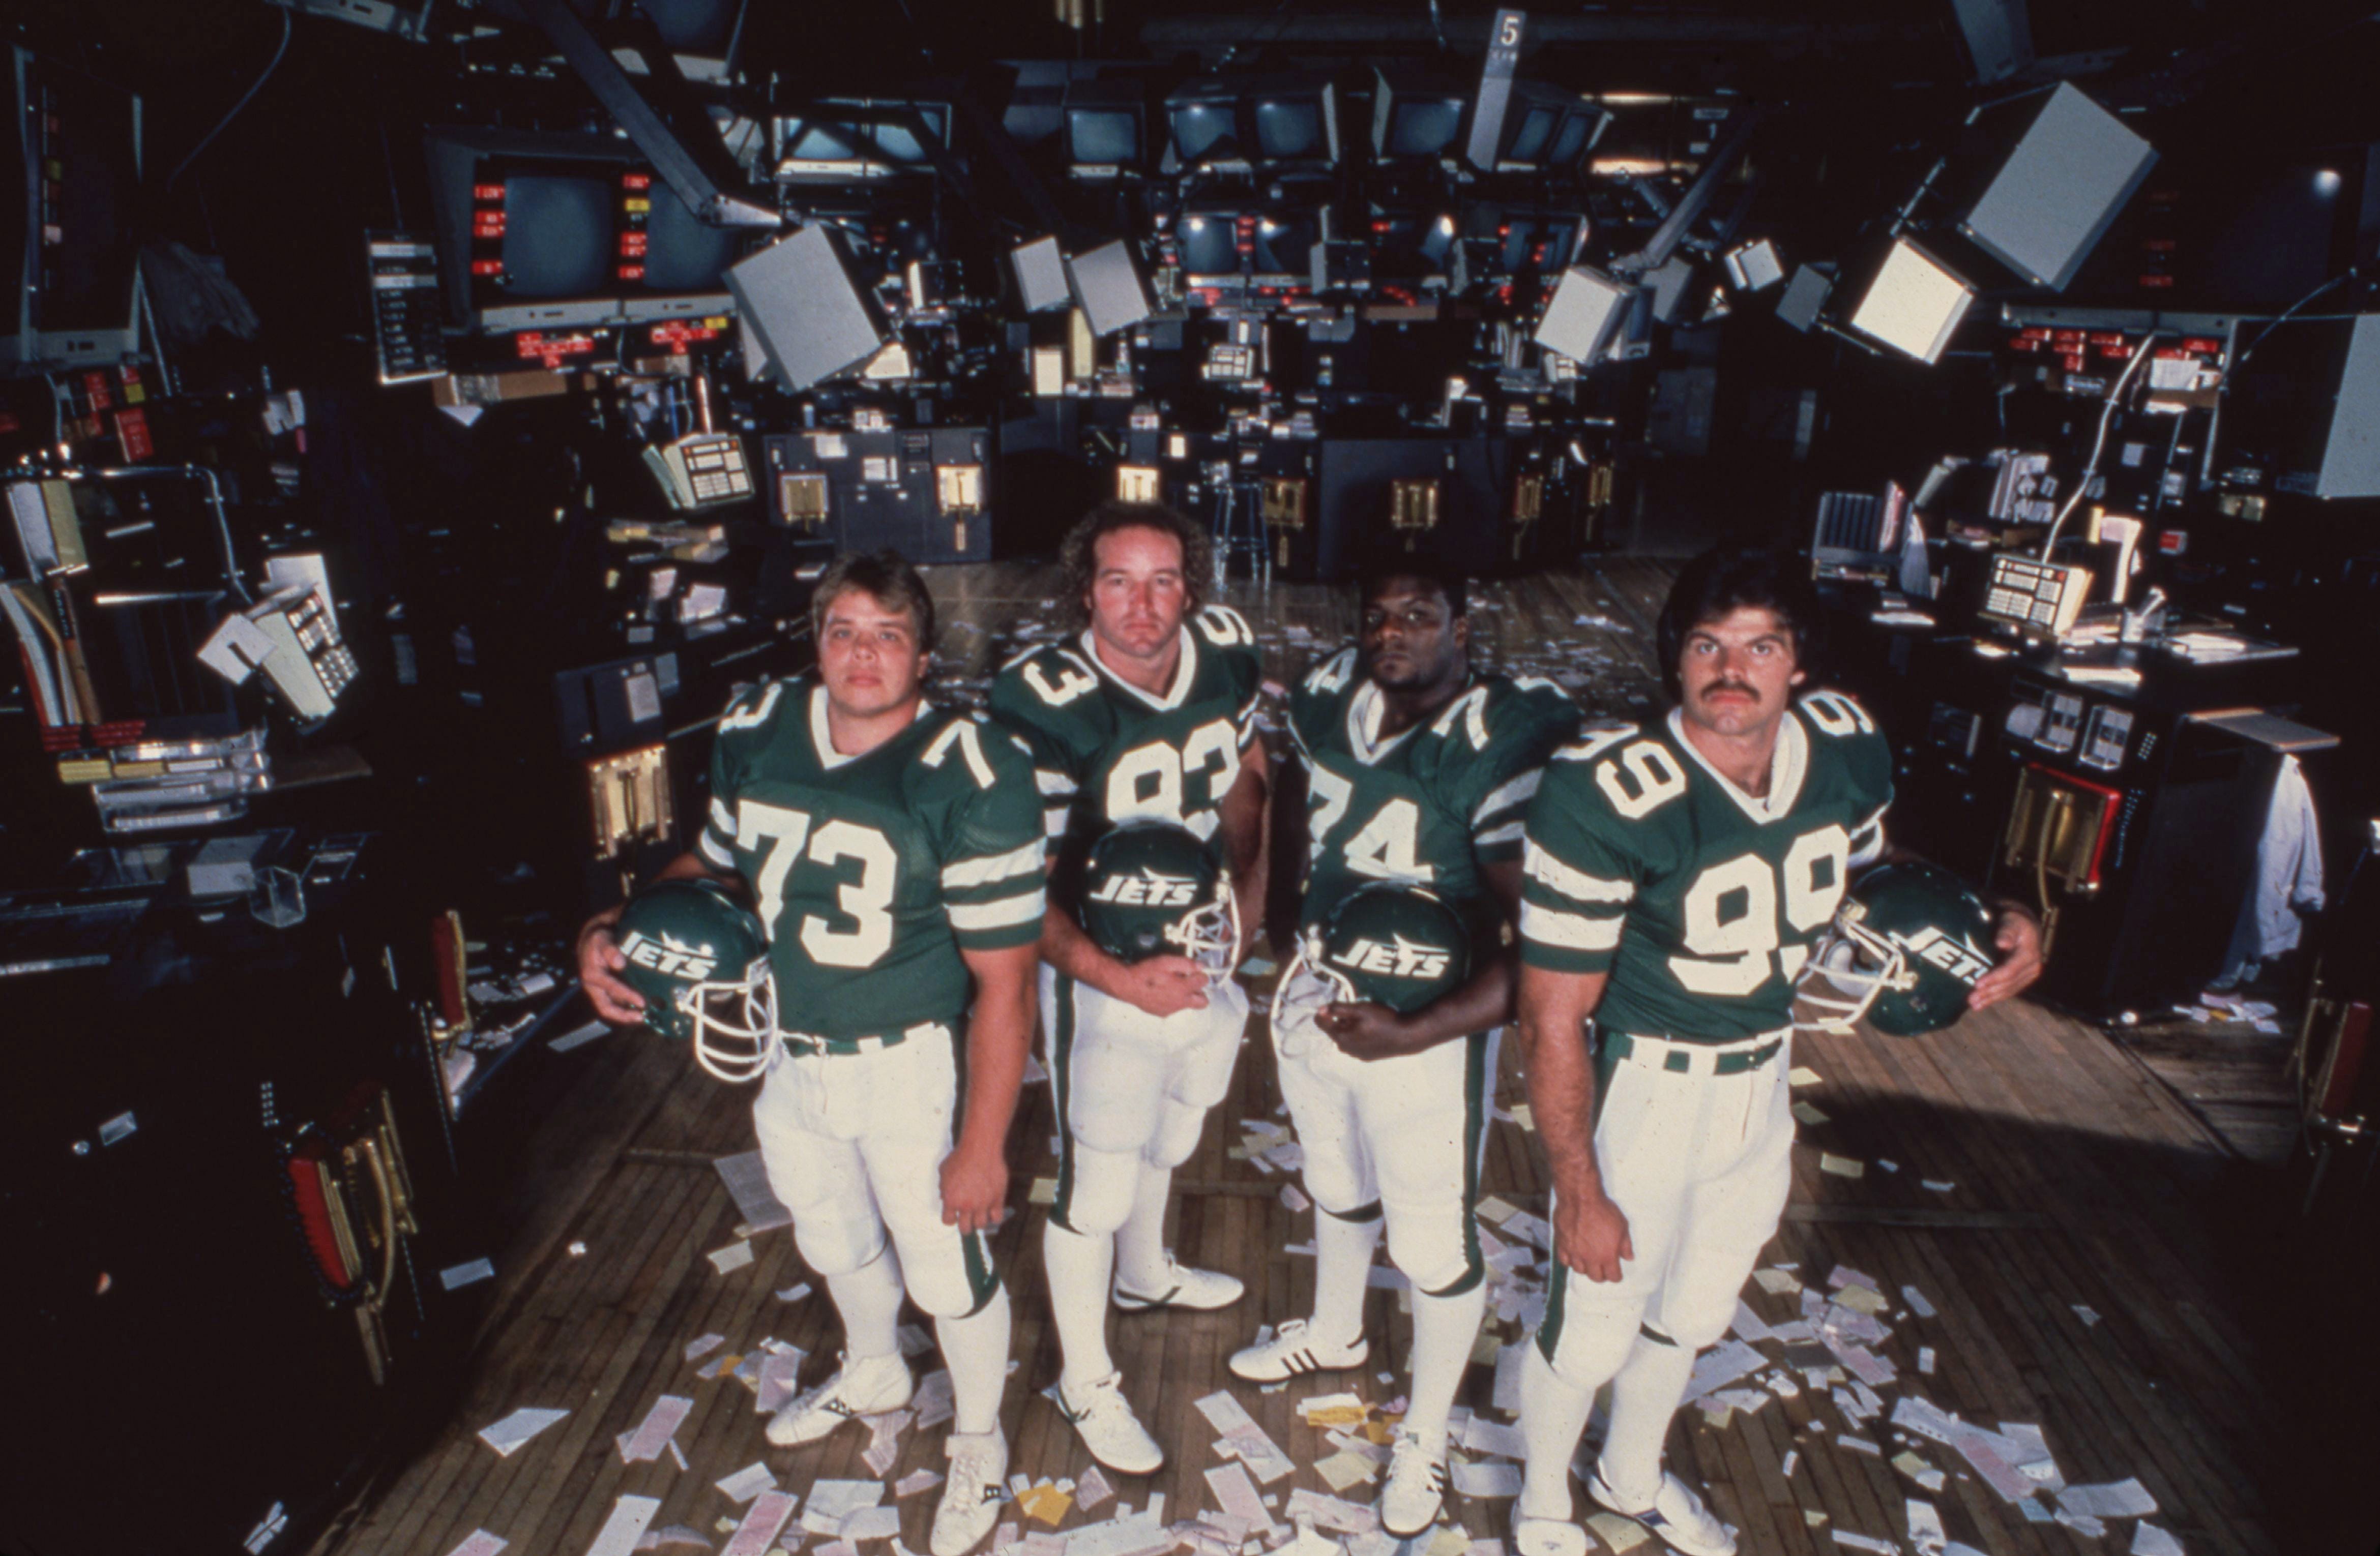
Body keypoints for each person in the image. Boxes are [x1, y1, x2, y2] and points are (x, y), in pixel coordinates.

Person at [1509, 548, 2044, 1556]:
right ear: (1676, 659)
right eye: (1709, 645)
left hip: (1762, 1079)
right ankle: (1541, 1496)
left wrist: (2001, 911)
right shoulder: (1603, 790)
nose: (1732, 670)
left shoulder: (1842, 746)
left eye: (1762, 645)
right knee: (1592, 1325)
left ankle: (1630, 1477)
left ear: (1799, 664)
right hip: (1646, 1085)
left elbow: (1881, 869)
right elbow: (1551, 1018)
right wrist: (1578, 1186)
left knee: (1693, 1315)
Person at [576, 552, 1043, 1556]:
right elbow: (714, 867)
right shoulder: (760, 726)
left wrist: (984, 1144)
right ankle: (873, 1368)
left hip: (909, 1061)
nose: (863, 654)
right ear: (816, 640)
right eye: (843, 631)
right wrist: (615, 922)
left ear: (924, 652)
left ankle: (977, 1436)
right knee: (832, 1240)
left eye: (888, 634)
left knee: (947, 1271)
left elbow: (1008, 983)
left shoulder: (974, 768)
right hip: (788, 1048)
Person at [1233, 561, 1577, 1536]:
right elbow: (1297, 798)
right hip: (1326, 993)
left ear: (1463, 627)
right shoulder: (1334, 691)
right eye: (1378, 616)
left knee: (1432, 1240)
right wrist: (1289, 924)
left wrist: (1420, 1028)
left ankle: (1423, 1433)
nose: (1394, 633)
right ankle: (1337, 1331)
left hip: (1430, 1025)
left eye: (1418, 616)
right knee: (1335, 1183)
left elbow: (1551, 951)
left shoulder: (1509, 735)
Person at [988, 500, 1267, 1474]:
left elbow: (1247, 774)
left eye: (1162, 581)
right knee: (1097, 1180)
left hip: (1199, 948)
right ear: (1084, 589)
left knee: (1174, 1131)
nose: (1141, 606)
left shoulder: (1225, 653)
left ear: (1192, 586)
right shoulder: (1040, 697)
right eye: (1117, 581)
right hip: (1099, 971)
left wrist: (1249, 907)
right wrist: (1116, 977)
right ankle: (1084, 1380)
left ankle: (1144, 1278)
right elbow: (1017, 888)